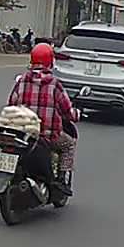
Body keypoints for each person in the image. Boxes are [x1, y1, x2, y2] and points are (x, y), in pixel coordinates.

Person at [6, 43, 78, 196]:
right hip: (47, 136)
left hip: (22, 134)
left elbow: (11, 103)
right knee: (69, 145)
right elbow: (67, 111)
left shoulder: (21, 81)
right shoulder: (54, 84)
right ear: (50, 62)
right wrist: (75, 115)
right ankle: (61, 181)